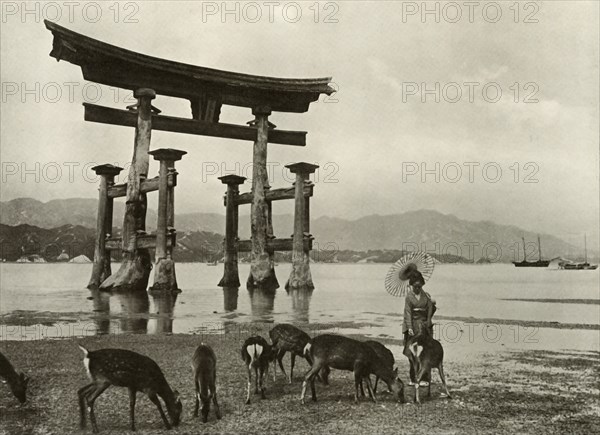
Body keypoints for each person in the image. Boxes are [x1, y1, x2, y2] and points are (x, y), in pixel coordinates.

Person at [402, 270, 436, 386]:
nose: (417, 288)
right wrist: (410, 328)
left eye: (419, 286)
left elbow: (430, 310)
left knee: (425, 351)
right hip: (413, 325)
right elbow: (407, 313)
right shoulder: (409, 297)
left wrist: (432, 304)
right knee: (413, 352)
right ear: (411, 285)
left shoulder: (425, 296)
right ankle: (413, 378)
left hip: (424, 325)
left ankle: (424, 378)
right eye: (415, 286)